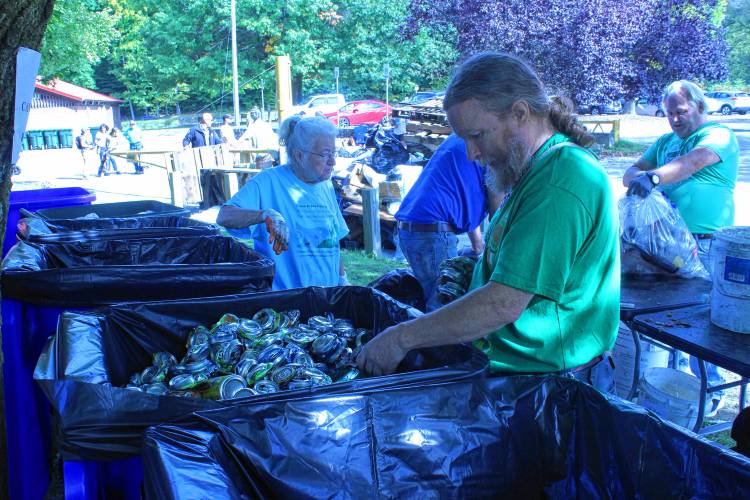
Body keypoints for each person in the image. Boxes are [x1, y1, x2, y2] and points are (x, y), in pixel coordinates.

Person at [356, 52, 619, 389]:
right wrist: (477, 271)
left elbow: (502, 304)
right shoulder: (535, 170)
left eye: (477, 135)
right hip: (527, 377)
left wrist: (400, 338)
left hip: (554, 389)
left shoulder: (559, 181)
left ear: (520, 113)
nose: (472, 153)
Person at [622, 80, 739, 416]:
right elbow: (633, 171)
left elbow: (693, 162)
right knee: (667, 320)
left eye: (681, 111)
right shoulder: (665, 142)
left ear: (700, 107)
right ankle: (669, 391)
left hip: (705, 246)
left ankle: (709, 395)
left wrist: (655, 178)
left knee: (702, 324)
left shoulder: (717, 136)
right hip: (662, 247)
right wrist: (640, 177)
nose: (674, 118)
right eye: (670, 112)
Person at [217, 115, 349, 290]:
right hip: (286, 302)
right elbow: (224, 215)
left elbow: (333, 238)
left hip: (327, 300)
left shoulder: (325, 185)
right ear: (299, 155)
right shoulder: (268, 182)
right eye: (325, 155)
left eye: (334, 153)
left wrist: (342, 279)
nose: (333, 162)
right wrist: (264, 214)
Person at [395, 134, 494, 311]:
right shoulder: (491, 144)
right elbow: (497, 207)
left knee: (433, 298)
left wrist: (477, 245)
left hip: (412, 228)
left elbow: (462, 194)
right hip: (431, 231)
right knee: (444, 304)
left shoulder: (463, 136)